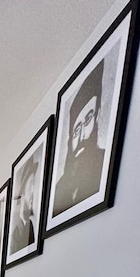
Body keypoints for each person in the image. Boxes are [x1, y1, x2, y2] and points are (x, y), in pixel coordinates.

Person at [53, 60, 105, 216]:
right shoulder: (59, 187)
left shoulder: (103, 160)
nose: (82, 136)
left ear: (97, 115)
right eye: (76, 130)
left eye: (88, 120)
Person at [10, 156, 38, 254]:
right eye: (31, 185)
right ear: (23, 193)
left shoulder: (31, 225)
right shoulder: (14, 234)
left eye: (34, 185)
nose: (33, 192)